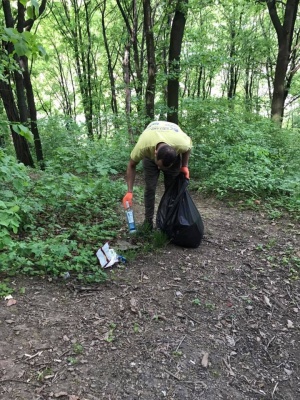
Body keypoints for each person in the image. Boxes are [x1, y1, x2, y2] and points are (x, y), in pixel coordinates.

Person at [122, 120, 192, 230]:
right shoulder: (144, 146)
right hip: (151, 154)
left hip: (172, 142)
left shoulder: (181, 143)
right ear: (155, 153)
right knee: (150, 188)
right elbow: (131, 165)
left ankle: (170, 221)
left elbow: (188, 148)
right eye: (159, 166)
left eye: (163, 167)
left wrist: (184, 166)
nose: (159, 169)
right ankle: (148, 221)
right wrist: (129, 191)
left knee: (172, 188)